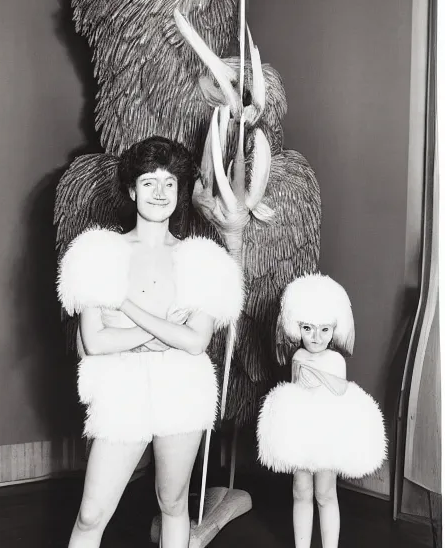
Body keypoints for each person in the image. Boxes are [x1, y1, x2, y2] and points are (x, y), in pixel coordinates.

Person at [57, 136, 244, 548]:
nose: (159, 193)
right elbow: (95, 340)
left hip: (183, 388)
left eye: (169, 183)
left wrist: (127, 309)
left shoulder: (203, 260)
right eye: (148, 183)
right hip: (121, 392)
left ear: (179, 191)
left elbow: (195, 342)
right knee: (90, 515)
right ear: (131, 189)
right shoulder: (98, 253)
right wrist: (162, 331)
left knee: (172, 501)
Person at [256, 274, 387, 548]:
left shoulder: (335, 359)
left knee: (325, 494)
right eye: (307, 328)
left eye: (324, 330)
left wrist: (315, 376)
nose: (316, 337)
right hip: (303, 433)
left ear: (335, 328)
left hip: (326, 435)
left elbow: (339, 389)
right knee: (300, 491)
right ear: (297, 326)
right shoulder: (298, 357)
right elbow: (295, 394)